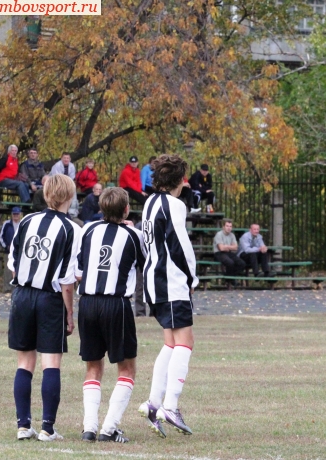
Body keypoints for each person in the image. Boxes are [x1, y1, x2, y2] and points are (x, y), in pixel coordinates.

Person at [8, 174, 81, 441]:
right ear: (69, 196)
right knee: (51, 364)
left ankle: (23, 425)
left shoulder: (26, 220)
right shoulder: (72, 229)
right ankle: (47, 429)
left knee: (25, 362)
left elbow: (13, 263)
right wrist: (70, 315)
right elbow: (68, 281)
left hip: (23, 296)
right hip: (50, 299)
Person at [76, 187, 146, 443]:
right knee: (126, 369)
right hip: (117, 304)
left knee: (93, 366)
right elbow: (145, 263)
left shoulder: (87, 230)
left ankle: (89, 427)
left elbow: (79, 267)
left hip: (87, 303)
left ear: (101, 209)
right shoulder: (133, 235)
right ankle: (109, 427)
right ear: (126, 209)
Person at [138, 154, 198, 438]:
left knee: (171, 343)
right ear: (180, 180)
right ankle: (170, 406)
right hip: (171, 281)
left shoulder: (149, 202)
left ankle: (153, 404)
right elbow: (179, 245)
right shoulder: (174, 205)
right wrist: (192, 278)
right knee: (185, 342)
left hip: (153, 280)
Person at [213, 219, 246, 285]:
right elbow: (221, 248)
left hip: (228, 253)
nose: (229, 228)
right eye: (227, 226)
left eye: (230, 226)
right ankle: (231, 280)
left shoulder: (232, 235)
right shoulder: (219, 234)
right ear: (223, 227)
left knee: (242, 263)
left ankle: (228, 277)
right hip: (219, 253)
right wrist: (230, 247)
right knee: (230, 262)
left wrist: (226, 246)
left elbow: (236, 248)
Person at [0, 206, 22, 292]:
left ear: (20, 214)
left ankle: (16, 288)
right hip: (8, 251)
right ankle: (6, 288)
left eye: (17, 214)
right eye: (14, 214)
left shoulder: (22, 224)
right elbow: (1, 237)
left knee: (18, 269)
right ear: (12, 214)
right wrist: (6, 246)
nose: (16, 215)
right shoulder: (7, 224)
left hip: (19, 251)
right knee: (8, 270)